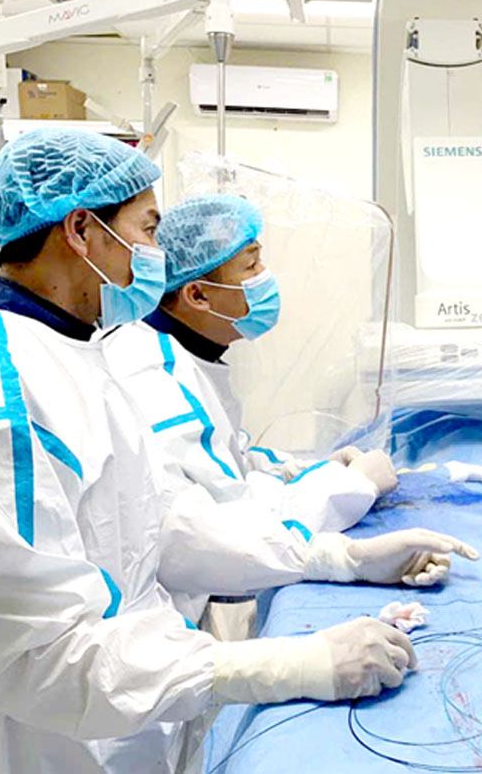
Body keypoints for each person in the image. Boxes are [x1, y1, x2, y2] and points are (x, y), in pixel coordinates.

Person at [0, 129, 477, 774]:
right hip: (24, 747)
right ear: (81, 230)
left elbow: (157, 525)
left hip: (122, 706)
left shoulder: (75, 352)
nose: (156, 254)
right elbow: (43, 657)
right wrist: (285, 664)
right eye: (147, 230)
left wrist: (340, 557)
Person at [103, 193, 398, 634]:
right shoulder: (154, 374)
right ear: (198, 294)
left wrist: (305, 469)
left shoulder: (188, 356)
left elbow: (228, 460)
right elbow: (226, 529)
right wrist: (350, 486)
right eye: (252, 265)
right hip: (156, 629)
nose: (266, 279)